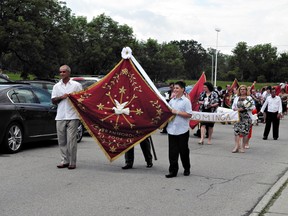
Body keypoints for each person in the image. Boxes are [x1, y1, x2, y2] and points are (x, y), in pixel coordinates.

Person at [51, 65, 83, 169]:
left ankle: (72, 162)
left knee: (71, 140)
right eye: (60, 72)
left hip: (73, 115)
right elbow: (53, 100)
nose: (62, 74)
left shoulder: (76, 85)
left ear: (68, 73)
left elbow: (82, 99)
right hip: (60, 116)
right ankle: (64, 160)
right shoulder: (56, 86)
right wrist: (62, 97)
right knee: (62, 140)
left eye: (64, 72)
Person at [165, 81, 192, 178]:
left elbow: (189, 114)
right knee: (172, 152)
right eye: (174, 88)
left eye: (177, 88)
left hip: (182, 130)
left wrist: (177, 112)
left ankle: (186, 168)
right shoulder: (172, 100)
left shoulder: (186, 101)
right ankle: (173, 171)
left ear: (182, 89)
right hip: (172, 129)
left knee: (183, 151)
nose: (175, 90)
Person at [231, 85, 255, 153]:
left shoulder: (249, 98)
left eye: (244, 89)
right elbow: (233, 106)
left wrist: (244, 108)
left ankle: (242, 147)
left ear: (246, 90)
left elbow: (253, 107)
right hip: (237, 116)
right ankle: (236, 146)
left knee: (244, 132)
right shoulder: (236, 97)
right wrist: (234, 109)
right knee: (236, 131)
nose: (242, 90)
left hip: (246, 117)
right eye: (241, 89)